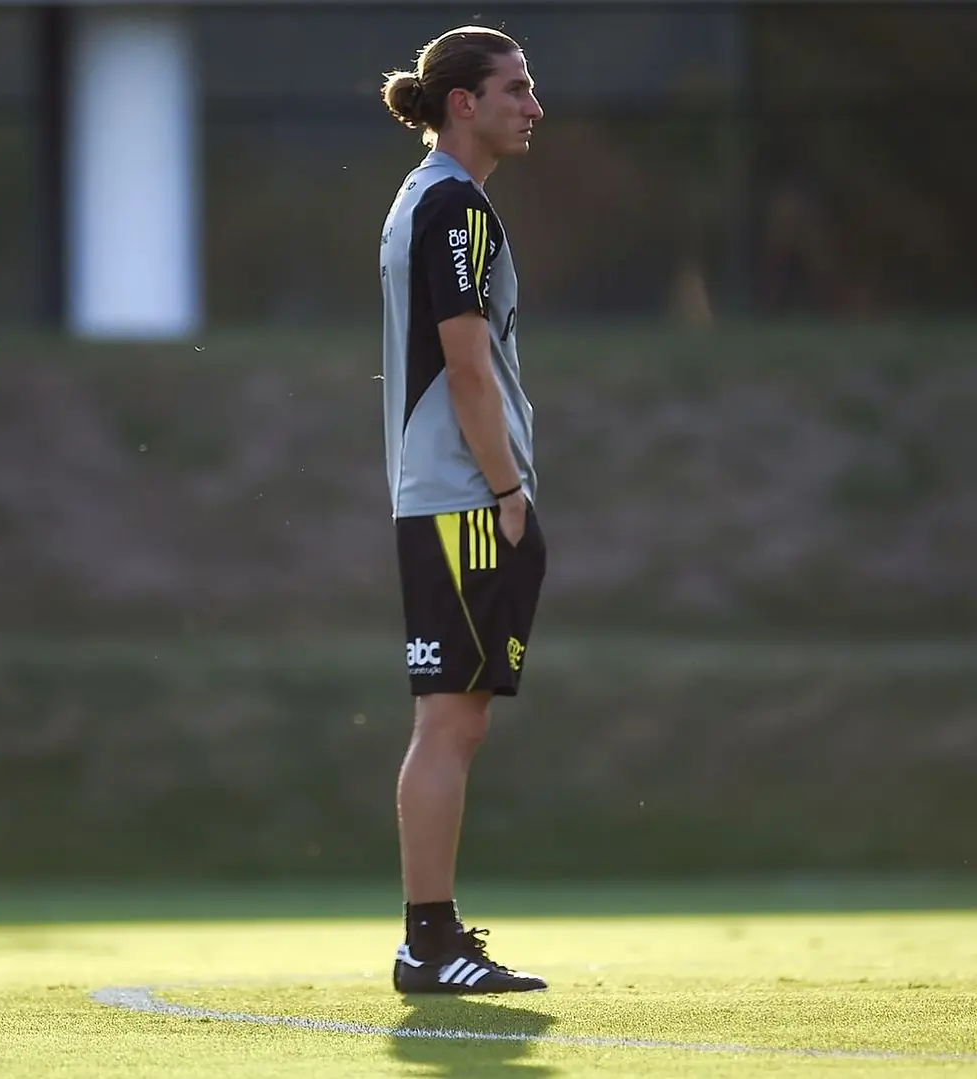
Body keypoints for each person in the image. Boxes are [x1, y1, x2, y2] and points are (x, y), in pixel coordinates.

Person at [378, 25, 547, 995]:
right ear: (463, 103)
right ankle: (429, 942)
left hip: (441, 493)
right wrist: (508, 489)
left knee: (453, 721)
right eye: (515, 88)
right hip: (465, 496)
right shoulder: (453, 205)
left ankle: (430, 939)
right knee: (450, 722)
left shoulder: (428, 196)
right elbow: (467, 365)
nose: (533, 106)